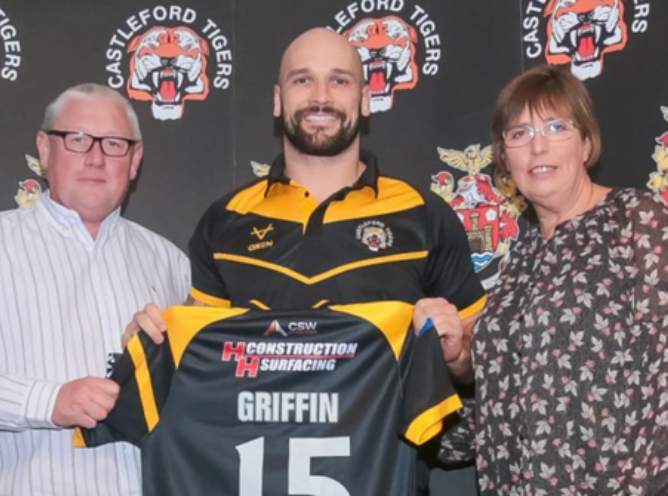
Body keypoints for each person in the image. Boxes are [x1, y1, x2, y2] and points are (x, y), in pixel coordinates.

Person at [126, 27, 486, 494]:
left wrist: (458, 355)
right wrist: (150, 349)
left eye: (339, 80)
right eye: (302, 80)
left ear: (366, 99)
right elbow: (201, 367)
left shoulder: (424, 214)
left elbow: (480, 362)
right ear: (278, 100)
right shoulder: (226, 220)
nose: (321, 97)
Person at [442, 64, 668, 495]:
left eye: (555, 127)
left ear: (586, 144)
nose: (538, 146)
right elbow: (503, 407)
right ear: (505, 158)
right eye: (520, 134)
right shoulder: (521, 259)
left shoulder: (636, 220)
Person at [0, 84, 190, 496]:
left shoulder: (171, 263)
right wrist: (48, 401)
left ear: (135, 159)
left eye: (115, 144)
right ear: (44, 150)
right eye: (78, 139)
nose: (97, 157)